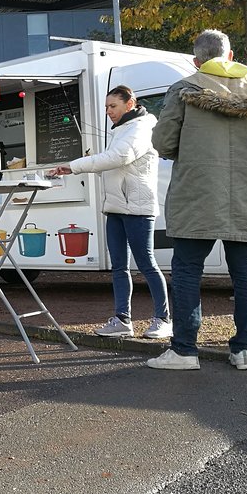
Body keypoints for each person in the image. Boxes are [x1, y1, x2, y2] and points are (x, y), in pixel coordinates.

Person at [147, 29, 247, 371]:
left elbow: (164, 143)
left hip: (196, 193)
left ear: (197, 61)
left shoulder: (184, 89)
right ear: (230, 57)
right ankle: (244, 351)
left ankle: (184, 351)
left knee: (187, 271)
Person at [53, 86, 170, 339]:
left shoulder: (142, 127)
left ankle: (163, 319)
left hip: (137, 208)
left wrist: (74, 166)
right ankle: (122, 319)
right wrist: (89, 162)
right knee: (118, 266)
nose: (108, 112)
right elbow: (112, 160)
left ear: (130, 104)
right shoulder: (123, 129)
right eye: (106, 107)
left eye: (113, 106)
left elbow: (119, 157)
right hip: (116, 207)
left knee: (146, 263)